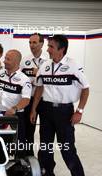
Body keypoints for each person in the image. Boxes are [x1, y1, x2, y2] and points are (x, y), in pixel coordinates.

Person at [30, 35, 89, 176]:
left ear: (61, 49)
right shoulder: (45, 65)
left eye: (51, 47)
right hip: (46, 110)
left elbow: (86, 88)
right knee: (45, 148)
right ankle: (46, 173)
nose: (48, 50)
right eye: (48, 46)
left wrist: (79, 111)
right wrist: (33, 109)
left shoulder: (73, 66)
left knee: (67, 149)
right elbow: (39, 87)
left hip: (65, 112)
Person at [0, 49, 32, 158]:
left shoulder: (24, 79)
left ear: (16, 62)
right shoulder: (0, 73)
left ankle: (20, 166)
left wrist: (14, 109)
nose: (4, 61)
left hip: (15, 116)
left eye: (8, 59)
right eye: (5, 58)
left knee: (18, 144)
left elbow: (26, 99)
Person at [20, 33, 48, 156]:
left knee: (46, 132)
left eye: (34, 42)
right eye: (30, 42)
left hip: (46, 100)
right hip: (30, 99)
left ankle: (44, 160)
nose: (32, 45)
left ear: (42, 44)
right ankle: (28, 156)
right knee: (29, 130)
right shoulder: (25, 60)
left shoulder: (49, 60)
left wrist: (40, 74)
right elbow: (20, 78)